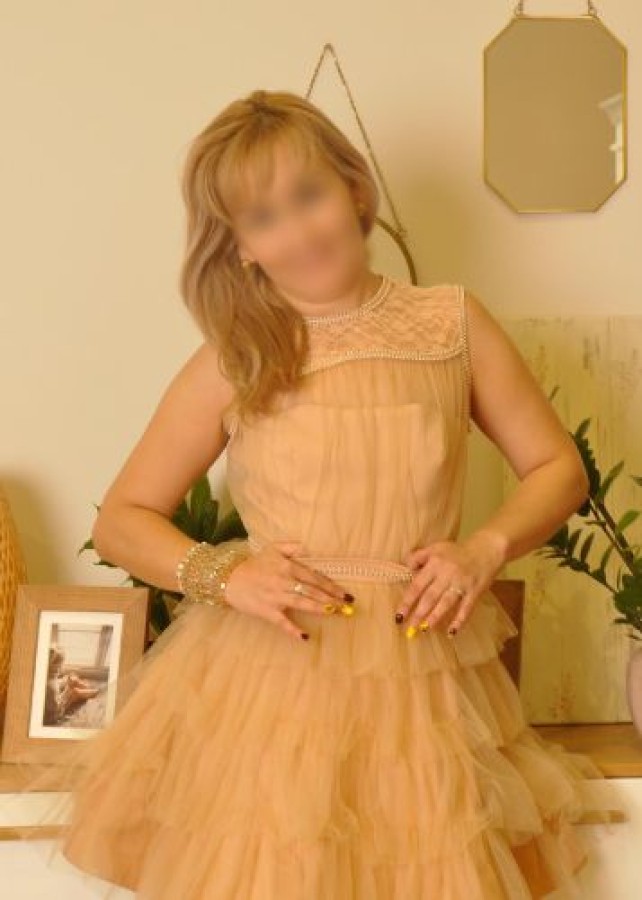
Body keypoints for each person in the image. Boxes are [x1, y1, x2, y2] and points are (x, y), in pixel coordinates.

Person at [7, 89, 625, 899]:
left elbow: (558, 470)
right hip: (272, 679)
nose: (299, 232)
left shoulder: (451, 323)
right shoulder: (235, 355)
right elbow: (125, 518)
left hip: (420, 678)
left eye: (309, 194)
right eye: (264, 217)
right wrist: (226, 574)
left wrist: (483, 549)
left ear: (354, 189)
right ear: (240, 247)